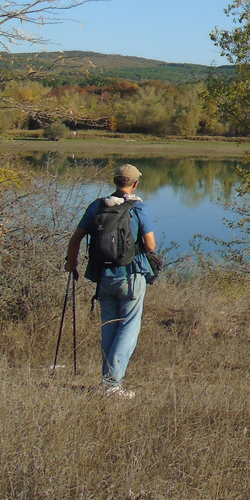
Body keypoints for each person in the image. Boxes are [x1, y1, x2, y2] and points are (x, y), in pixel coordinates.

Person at [65, 163, 157, 399]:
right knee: (128, 327)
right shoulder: (137, 208)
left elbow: (76, 239)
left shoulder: (97, 206)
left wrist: (71, 264)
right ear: (135, 183)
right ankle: (112, 384)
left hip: (104, 277)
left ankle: (107, 381)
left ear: (115, 181)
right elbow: (150, 245)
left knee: (109, 327)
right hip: (132, 276)